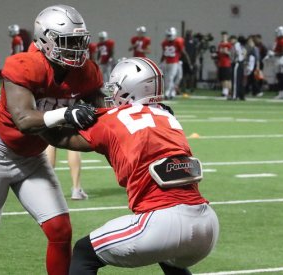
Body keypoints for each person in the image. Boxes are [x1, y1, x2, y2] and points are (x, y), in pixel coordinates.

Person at [0, 5, 105, 275]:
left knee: (60, 230)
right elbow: (25, 121)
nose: (76, 49)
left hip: (32, 157)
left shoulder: (86, 71)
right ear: (45, 39)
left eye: (79, 41)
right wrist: (67, 113)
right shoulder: (23, 64)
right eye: (68, 42)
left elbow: (105, 115)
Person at [40, 57, 219, 275]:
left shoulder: (112, 118)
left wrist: (44, 114)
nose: (111, 95)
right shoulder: (168, 116)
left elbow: (60, 139)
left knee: (84, 252)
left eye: (115, 88)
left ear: (128, 89)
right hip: (207, 224)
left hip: (163, 222)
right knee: (167, 258)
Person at [161, 27, 192, 99]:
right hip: (169, 62)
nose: (168, 37)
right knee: (170, 78)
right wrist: (161, 62)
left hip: (177, 62)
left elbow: (183, 52)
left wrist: (188, 62)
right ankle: (167, 92)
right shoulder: (164, 43)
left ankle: (173, 91)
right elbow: (163, 53)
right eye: (168, 35)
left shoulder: (178, 41)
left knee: (179, 77)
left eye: (170, 35)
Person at [269, 26, 283, 100]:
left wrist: (274, 54)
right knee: (278, 76)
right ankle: (281, 92)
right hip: (277, 59)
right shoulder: (278, 40)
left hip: (280, 60)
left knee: (281, 76)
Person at [229, 35, 246, 101]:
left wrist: (234, 59)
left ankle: (234, 96)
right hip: (240, 63)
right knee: (240, 80)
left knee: (235, 80)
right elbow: (244, 52)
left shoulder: (236, 45)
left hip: (236, 63)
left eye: (231, 40)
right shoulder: (240, 46)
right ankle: (241, 95)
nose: (230, 41)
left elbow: (234, 54)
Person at [217, 31, 233, 97]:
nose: (223, 37)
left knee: (227, 78)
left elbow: (232, 54)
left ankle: (227, 91)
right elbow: (219, 53)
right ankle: (225, 90)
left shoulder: (229, 45)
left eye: (225, 36)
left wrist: (227, 52)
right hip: (221, 63)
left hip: (227, 63)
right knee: (222, 78)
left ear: (227, 37)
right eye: (222, 36)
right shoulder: (220, 44)